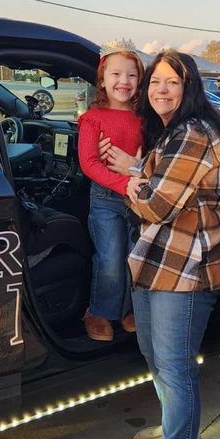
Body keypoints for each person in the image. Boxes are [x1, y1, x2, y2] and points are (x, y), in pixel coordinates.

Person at [101, 50, 220, 439]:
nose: (160, 89)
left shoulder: (194, 134)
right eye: (154, 81)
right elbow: (154, 191)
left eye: (171, 82)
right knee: (154, 356)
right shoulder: (170, 134)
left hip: (189, 268)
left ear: (189, 88)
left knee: (176, 371)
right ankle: (182, 433)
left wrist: (132, 178)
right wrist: (139, 174)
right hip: (156, 262)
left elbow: (154, 206)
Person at [78, 39, 144, 342]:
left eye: (131, 75)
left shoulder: (145, 118)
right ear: (102, 81)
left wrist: (137, 170)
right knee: (110, 259)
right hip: (106, 199)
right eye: (115, 74)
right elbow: (89, 164)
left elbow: (153, 157)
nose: (123, 81)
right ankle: (99, 311)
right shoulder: (92, 119)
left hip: (138, 200)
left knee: (134, 257)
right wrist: (124, 182)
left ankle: (127, 309)